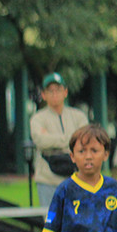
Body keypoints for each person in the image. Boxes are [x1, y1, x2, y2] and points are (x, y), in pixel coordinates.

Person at [30, 72, 90, 208]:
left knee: (77, 222)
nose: (55, 94)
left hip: (76, 178)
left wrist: (53, 138)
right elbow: (40, 141)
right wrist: (71, 138)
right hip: (47, 179)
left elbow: (85, 140)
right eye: (50, 91)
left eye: (58, 90)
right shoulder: (38, 118)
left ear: (65, 92)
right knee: (51, 224)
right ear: (44, 95)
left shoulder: (78, 116)